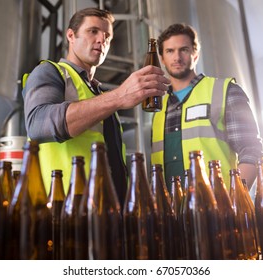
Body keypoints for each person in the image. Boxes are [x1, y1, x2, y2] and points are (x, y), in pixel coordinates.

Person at [22, 7, 170, 207]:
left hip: (107, 211)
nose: (102, 40)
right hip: (65, 209)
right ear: (71, 36)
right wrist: (118, 96)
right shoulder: (49, 72)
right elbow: (38, 125)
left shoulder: (98, 94)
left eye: (107, 35)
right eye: (93, 31)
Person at [151, 23, 263, 190]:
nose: (177, 57)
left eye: (184, 49)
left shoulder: (225, 91)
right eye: (170, 51)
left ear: (195, 54)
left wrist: (234, 199)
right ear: (162, 59)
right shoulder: (157, 107)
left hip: (219, 207)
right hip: (168, 211)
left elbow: (251, 150)